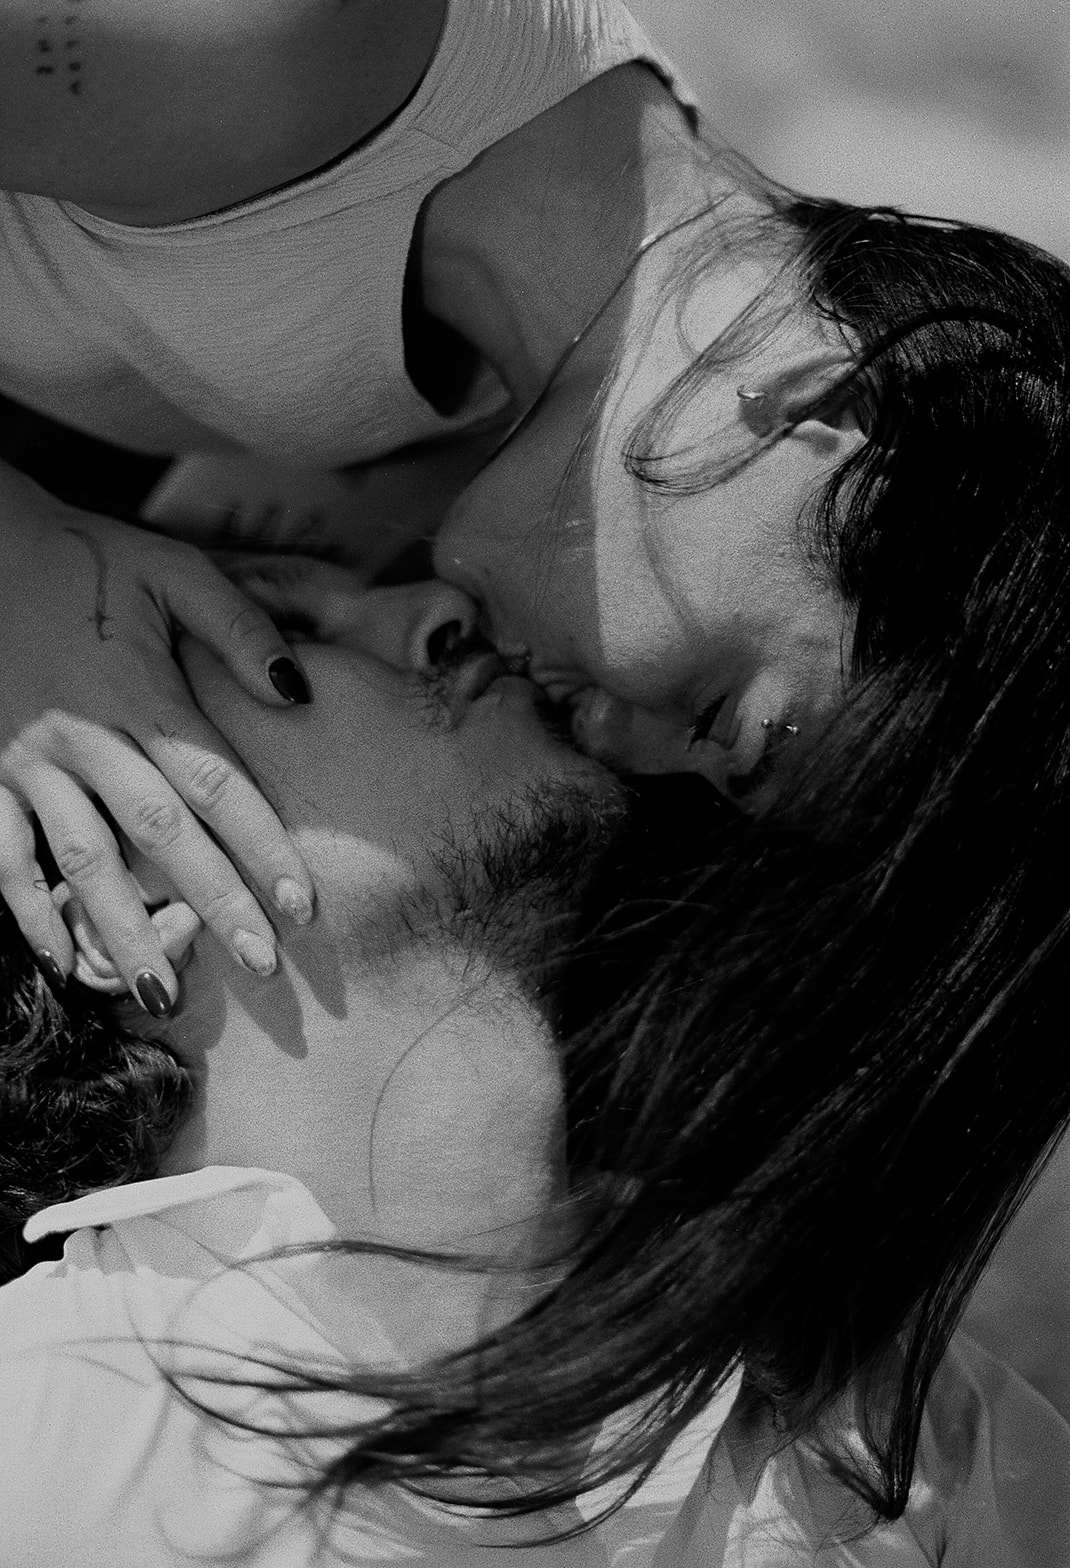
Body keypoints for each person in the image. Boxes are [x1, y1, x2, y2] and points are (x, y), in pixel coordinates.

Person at [1, 0, 1068, 1008]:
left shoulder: (466, 428)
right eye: (718, 718)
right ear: (821, 416)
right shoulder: (296, 23)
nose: (610, 747)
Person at [1, 560, 1068, 1566]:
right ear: (114, 913)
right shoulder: (42, 1439)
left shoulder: (895, 1424)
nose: (435, 604)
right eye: (279, 632)